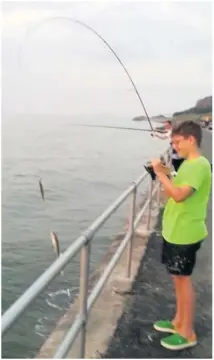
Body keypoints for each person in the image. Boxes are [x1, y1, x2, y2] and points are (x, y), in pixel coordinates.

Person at [151, 121, 211, 350]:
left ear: (191, 140)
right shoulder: (188, 164)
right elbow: (178, 183)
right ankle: (178, 321)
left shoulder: (200, 165)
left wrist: (159, 174)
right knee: (177, 278)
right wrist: (165, 172)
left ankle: (187, 332)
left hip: (186, 233)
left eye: (177, 142)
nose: (174, 146)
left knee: (183, 281)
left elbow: (178, 195)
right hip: (175, 230)